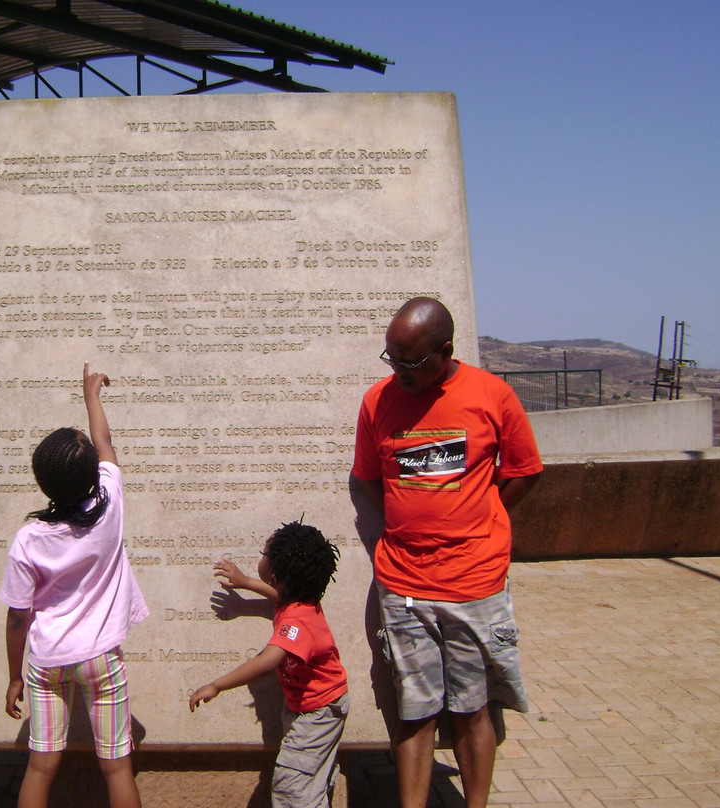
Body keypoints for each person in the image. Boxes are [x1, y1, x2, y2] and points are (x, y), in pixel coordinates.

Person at [352, 297, 543, 808]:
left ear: (446, 351)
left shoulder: (492, 395)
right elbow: (369, 477)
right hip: (405, 585)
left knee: (472, 709)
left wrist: (481, 515)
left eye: (412, 362)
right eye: (392, 359)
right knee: (414, 712)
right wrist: (412, 520)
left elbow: (525, 471)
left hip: (474, 584)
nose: (400, 373)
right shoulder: (377, 402)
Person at [0, 362, 148, 808]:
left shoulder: (29, 539)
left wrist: (14, 676)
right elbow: (105, 443)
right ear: (91, 475)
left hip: (47, 660)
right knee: (117, 767)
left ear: (43, 480)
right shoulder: (110, 502)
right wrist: (92, 397)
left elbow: (17, 617)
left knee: (41, 766)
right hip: (100, 656)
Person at [189, 521, 349, 808]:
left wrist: (217, 685)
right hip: (314, 704)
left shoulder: (297, 622)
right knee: (310, 778)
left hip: (317, 712)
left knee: (292, 785)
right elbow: (277, 596)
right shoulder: (302, 599)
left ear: (274, 574)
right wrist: (246, 582)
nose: (261, 556)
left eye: (264, 553)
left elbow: (268, 660)